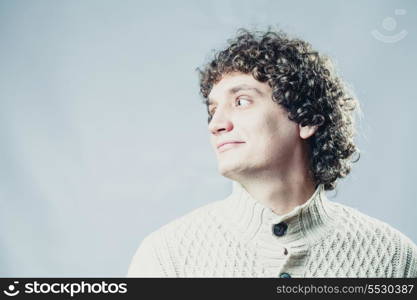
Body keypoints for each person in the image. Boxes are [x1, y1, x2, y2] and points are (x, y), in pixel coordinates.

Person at [126, 27, 417, 278]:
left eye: (241, 101)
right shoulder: (167, 256)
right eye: (213, 111)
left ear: (307, 119)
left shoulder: (393, 258)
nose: (216, 124)